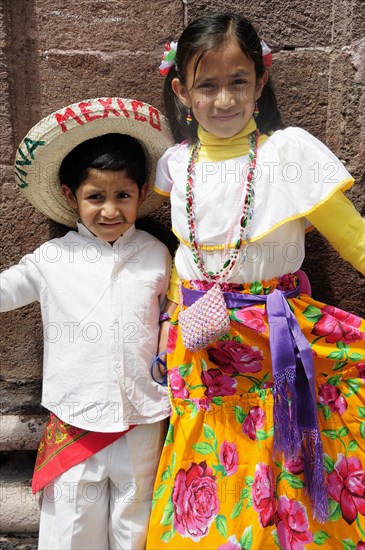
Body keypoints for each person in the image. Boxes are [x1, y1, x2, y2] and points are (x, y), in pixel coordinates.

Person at [146, 13, 365, 550]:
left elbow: (354, 238)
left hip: (275, 341)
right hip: (202, 347)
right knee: (217, 460)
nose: (224, 100)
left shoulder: (288, 155)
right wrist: (169, 322)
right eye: (207, 85)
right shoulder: (176, 166)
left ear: (260, 82)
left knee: (280, 450)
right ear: (181, 91)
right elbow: (187, 259)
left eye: (238, 82)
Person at [1, 97, 174, 549]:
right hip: (77, 420)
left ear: (141, 193)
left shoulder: (157, 256)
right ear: (69, 195)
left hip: (143, 418)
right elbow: (7, 290)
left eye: (123, 196)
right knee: (71, 529)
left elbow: (175, 315)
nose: (110, 210)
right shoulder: (52, 258)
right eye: (95, 197)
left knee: (136, 528)